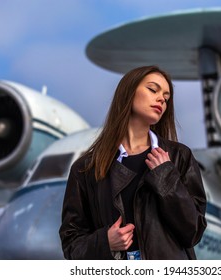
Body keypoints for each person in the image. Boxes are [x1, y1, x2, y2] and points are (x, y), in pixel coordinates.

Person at [59, 65, 207, 260]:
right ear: (128, 93)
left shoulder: (179, 156)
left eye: (166, 97)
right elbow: (71, 244)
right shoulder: (85, 169)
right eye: (153, 90)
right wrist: (105, 242)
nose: (162, 99)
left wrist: (166, 179)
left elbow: (193, 231)